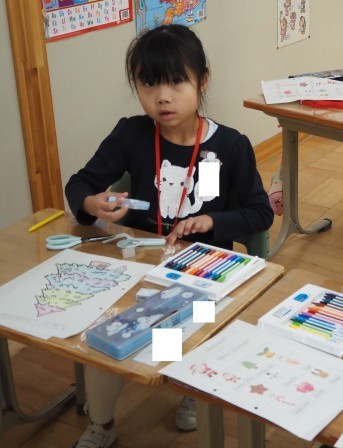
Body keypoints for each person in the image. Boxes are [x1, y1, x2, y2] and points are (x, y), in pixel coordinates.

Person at [66, 24, 273, 448]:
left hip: (204, 277)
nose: (162, 96)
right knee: (103, 333)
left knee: (173, 339)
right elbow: (80, 184)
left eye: (177, 81)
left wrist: (212, 222)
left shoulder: (231, 146)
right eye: (148, 83)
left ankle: (188, 385)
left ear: (203, 81)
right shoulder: (132, 134)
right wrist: (92, 203)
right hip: (138, 269)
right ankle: (102, 424)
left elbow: (260, 212)